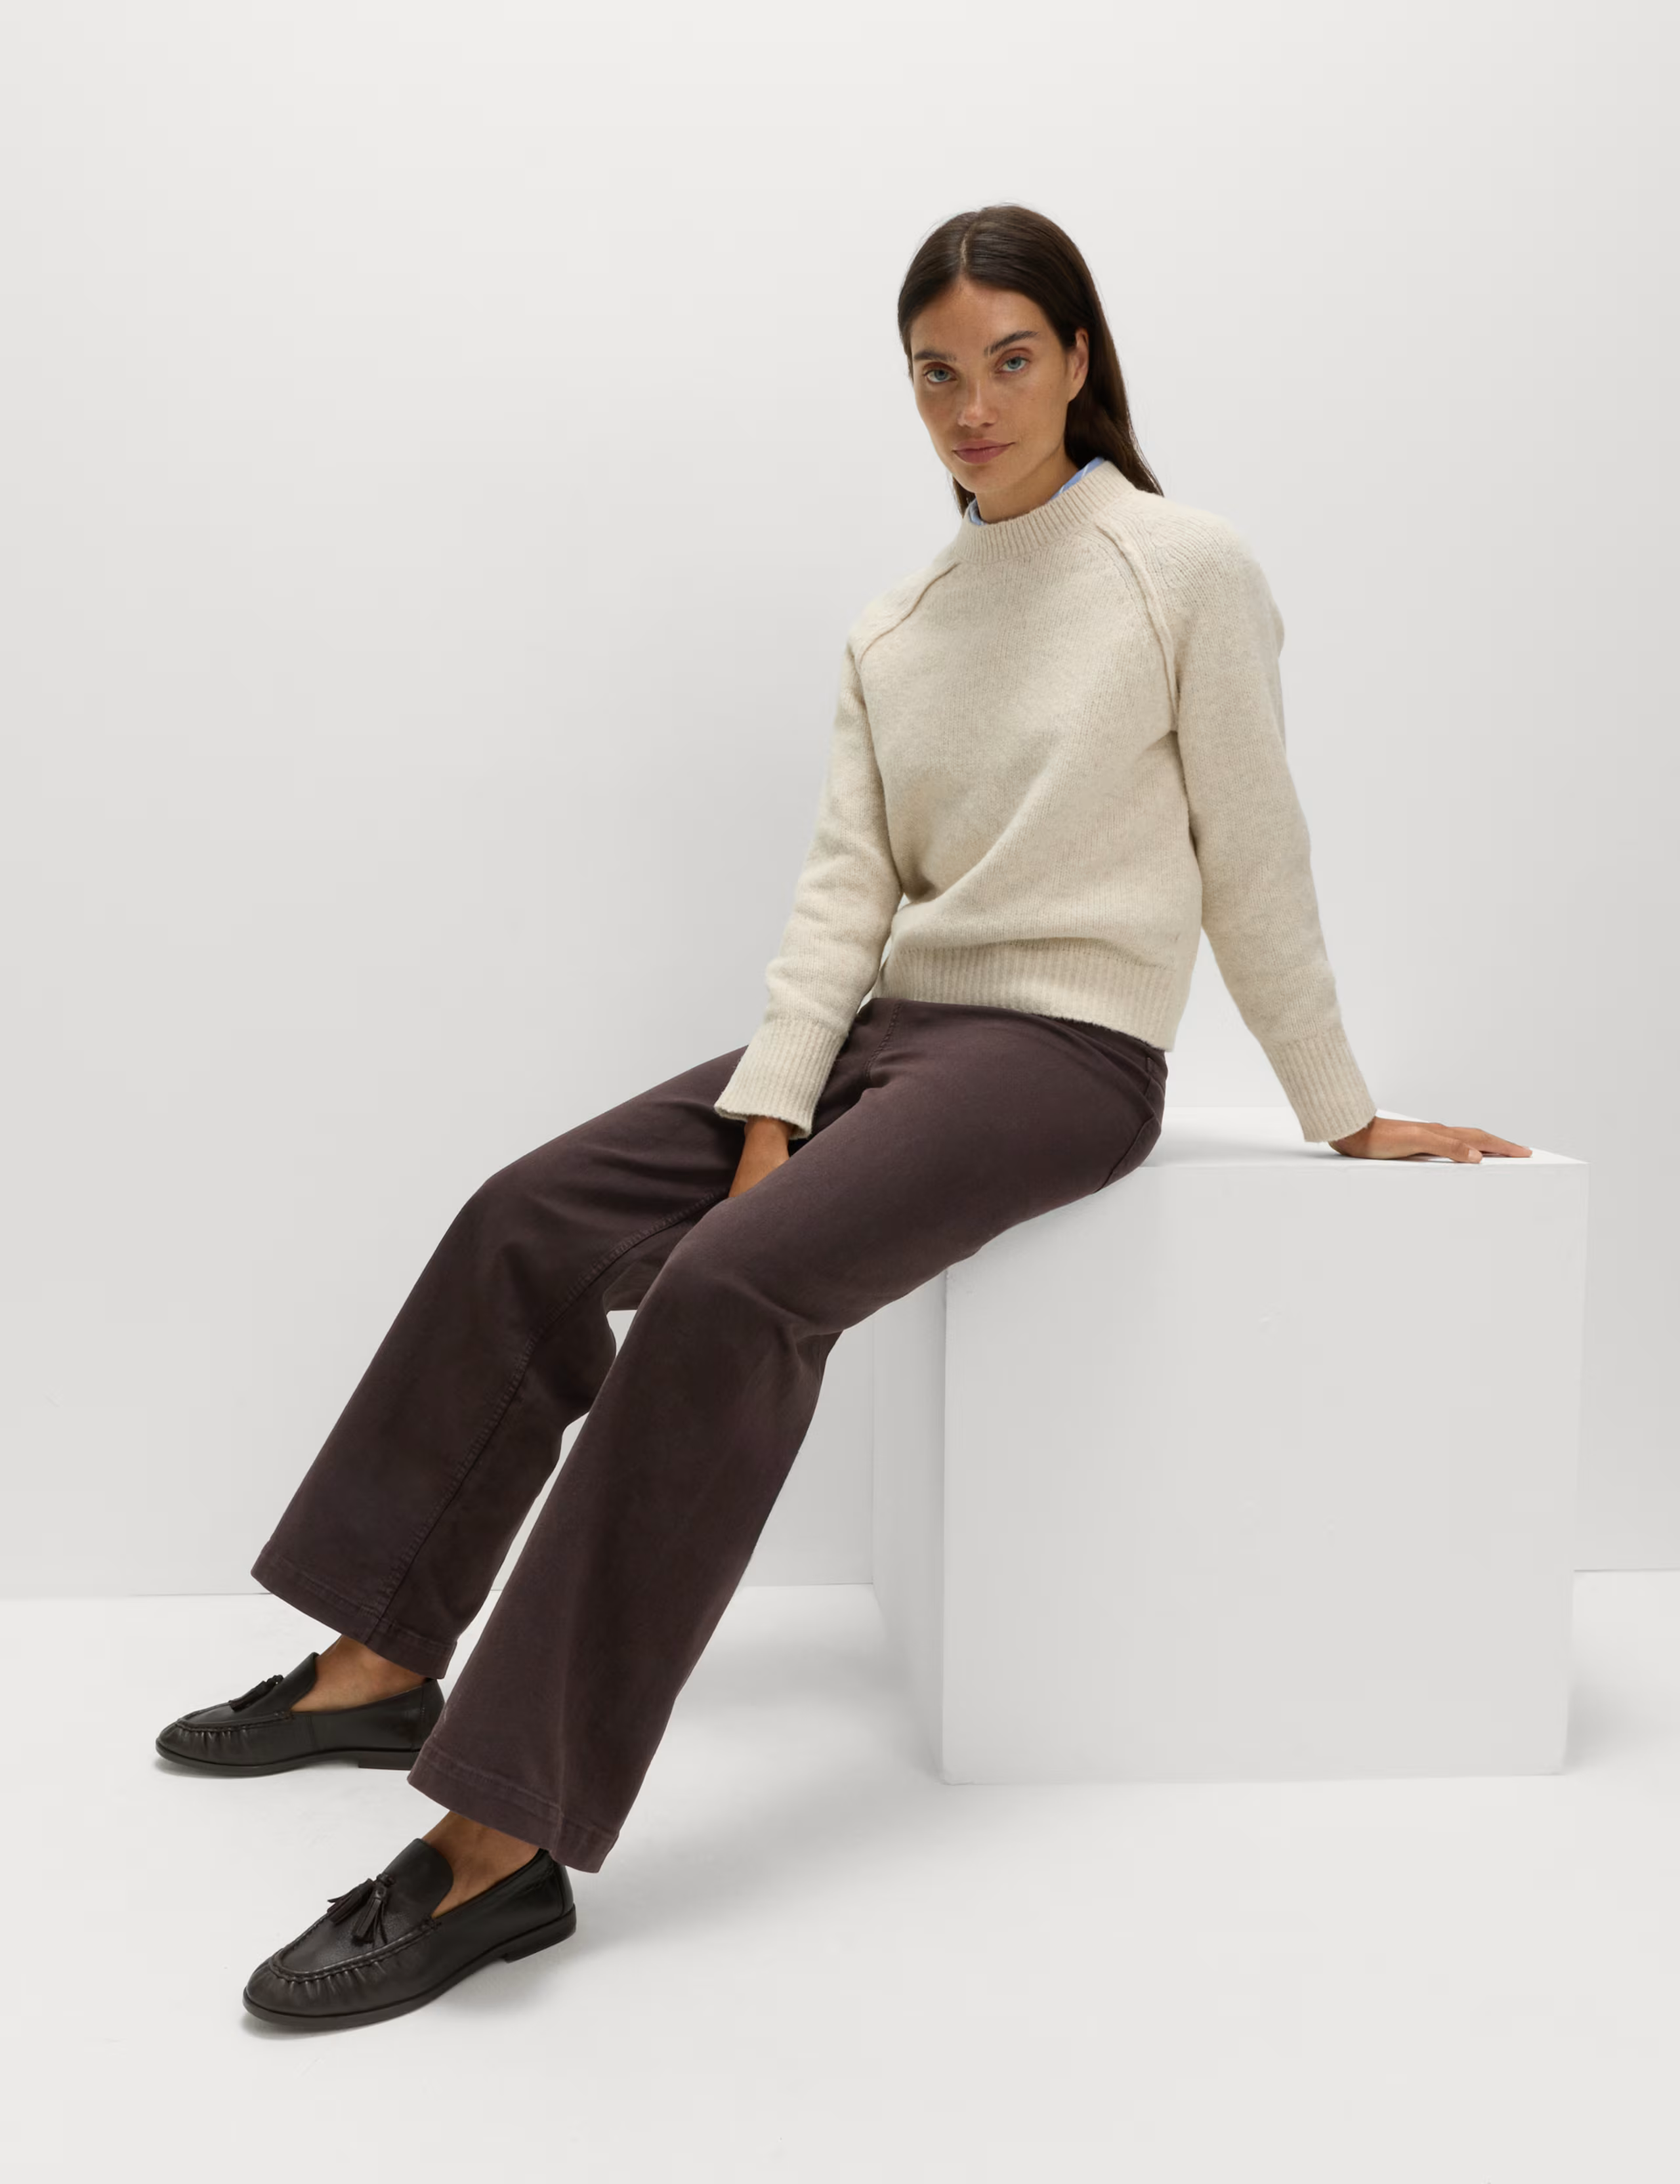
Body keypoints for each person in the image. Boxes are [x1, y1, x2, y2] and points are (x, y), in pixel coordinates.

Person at [155, 202, 1531, 2031]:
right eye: (935, 375)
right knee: (527, 1214)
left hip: (1064, 1056)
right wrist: (772, 1111)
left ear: (1081, 360)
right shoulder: (900, 627)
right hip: (893, 1030)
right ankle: (379, 1660)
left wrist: (1343, 1113)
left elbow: (1253, 851)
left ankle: (502, 1837)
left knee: (726, 1294)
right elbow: (842, 898)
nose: (974, 407)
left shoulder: (1182, 567)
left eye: (1011, 362)